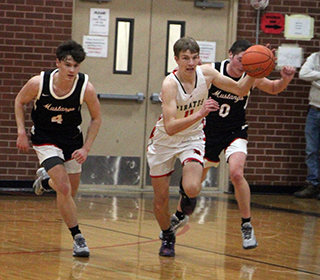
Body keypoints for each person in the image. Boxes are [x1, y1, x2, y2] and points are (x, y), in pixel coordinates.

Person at [169, 39, 296, 250]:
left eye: (247, 61)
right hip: (207, 132)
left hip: (235, 131)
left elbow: (273, 88)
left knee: (237, 173)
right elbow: (186, 75)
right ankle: (180, 215)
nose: (243, 65)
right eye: (240, 60)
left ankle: (246, 225)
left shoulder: (251, 74)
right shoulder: (211, 71)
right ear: (230, 55)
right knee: (192, 186)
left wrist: (285, 80)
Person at [147, 37, 256, 257]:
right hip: (165, 140)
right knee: (160, 201)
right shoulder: (170, 84)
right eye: (185, 58)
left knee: (193, 187)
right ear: (176, 60)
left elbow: (240, 90)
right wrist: (199, 113)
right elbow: (170, 127)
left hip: (193, 137)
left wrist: (254, 69)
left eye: (194, 57)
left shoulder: (207, 74)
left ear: (200, 58)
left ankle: (186, 196)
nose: (190, 62)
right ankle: (168, 236)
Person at [15, 40, 101, 257]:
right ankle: (78, 238)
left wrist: (86, 149)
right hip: (45, 138)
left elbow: (97, 118)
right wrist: (21, 132)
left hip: (71, 140)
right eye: (67, 65)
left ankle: (44, 181)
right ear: (58, 63)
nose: (72, 70)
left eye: (76, 66)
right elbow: (19, 101)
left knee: (70, 191)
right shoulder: (39, 83)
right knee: (63, 188)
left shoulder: (85, 88)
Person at [294, 51, 320, 199]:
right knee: (311, 149)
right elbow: (303, 74)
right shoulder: (315, 57)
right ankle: (313, 184)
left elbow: (310, 76)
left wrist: (314, 78)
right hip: (314, 110)